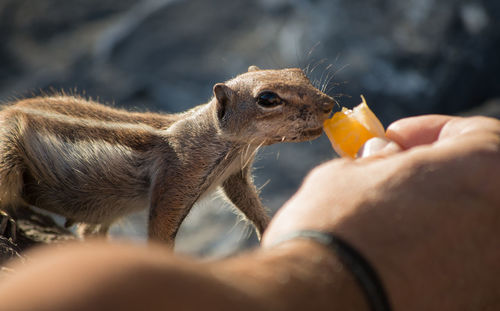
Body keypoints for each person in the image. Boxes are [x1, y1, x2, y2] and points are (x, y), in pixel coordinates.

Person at [0, 114, 499, 311]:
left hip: (80, 194)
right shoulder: (184, 154)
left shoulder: (236, 147)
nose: (311, 113)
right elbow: (161, 228)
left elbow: (238, 188)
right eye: (271, 104)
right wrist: (341, 269)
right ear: (225, 108)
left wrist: (265, 227)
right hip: (28, 148)